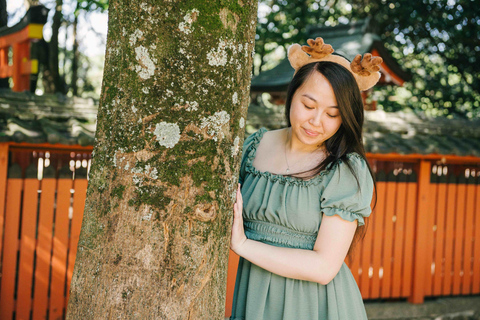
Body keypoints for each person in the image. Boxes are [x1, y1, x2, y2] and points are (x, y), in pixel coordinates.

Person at [229, 38, 382, 320]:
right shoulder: (252, 147)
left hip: (316, 307)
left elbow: (323, 268)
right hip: (254, 299)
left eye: (333, 114)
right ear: (292, 94)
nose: (316, 121)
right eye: (309, 105)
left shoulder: (346, 170)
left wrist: (243, 245)